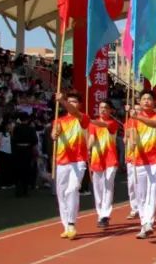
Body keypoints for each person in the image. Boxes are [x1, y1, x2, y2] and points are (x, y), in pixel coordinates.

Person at [51, 92, 90, 237]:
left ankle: (72, 223)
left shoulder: (82, 118)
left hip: (78, 160)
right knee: (61, 194)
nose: (72, 104)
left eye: (74, 102)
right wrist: (54, 134)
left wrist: (62, 100)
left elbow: (73, 111)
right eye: (70, 101)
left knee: (72, 190)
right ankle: (66, 225)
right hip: (62, 160)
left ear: (79, 105)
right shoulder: (59, 120)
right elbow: (53, 134)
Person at [129, 91, 156, 239]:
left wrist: (137, 117)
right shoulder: (133, 119)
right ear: (139, 102)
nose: (146, 101)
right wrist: (132, 142)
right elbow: (132, 133)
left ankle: (149, 222)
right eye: (143, 99)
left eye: (149, 99)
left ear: (154, 102)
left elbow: (155, 124)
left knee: (153, 190)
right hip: (140, 159)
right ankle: (144, 223)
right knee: (141, 194)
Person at [87, 99, 120, 228]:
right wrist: (88, 149)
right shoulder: (93, 125)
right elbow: (91, 138)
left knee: (108, 186)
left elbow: (105, 126)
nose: (103, 110)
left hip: (111, 158)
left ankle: (105, 215)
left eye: (106, 107)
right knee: (98, 187)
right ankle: (100, 213)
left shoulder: (113, 123)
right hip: (97, 158)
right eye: (101, 107)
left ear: (110, 110)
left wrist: (90, 120)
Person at [11, 112, 37, 198]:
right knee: (26, 170)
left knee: (18, 170)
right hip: (27, 150)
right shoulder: (31, 129)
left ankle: (18, 189)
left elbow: (13, 140)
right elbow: (34, 140)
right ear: (27, 119)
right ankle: (25, 190)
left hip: (18, 150)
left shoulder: (16, 128)